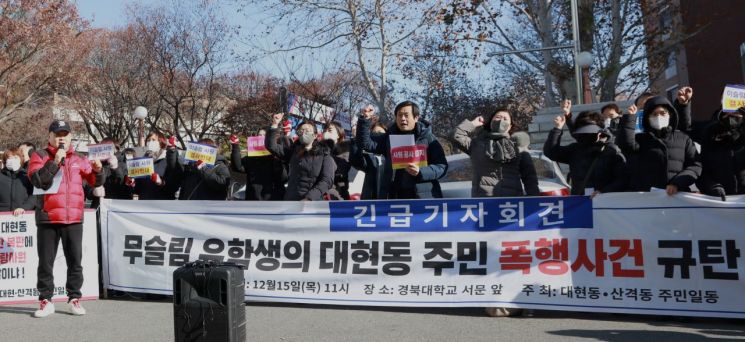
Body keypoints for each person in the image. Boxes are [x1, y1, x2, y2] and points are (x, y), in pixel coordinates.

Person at [28, 120, 104, 317]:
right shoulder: (39, 155)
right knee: (46, 262)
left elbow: (95, 182)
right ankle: (46, 300)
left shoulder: (79, 158)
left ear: (71, 137)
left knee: (75, 261)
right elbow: (38, 180)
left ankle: (74, 298)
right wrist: (55, 162)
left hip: (73, 218)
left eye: (65, 134)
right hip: (48, 217)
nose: (61, 137)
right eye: (57, 134)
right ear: (50, 137)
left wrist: (98, 170)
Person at [356, 101, 448, 199]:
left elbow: (441, 167)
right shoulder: (389, 137)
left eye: (406, 115)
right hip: (395, 197)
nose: (402, 119)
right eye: (399, 115)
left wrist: (420, 171)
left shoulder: (428, 138)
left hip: (423, 197)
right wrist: (365, 119)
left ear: (416, 118)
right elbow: (365, 143)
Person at [617, 96, 701, 194]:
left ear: (670, 115)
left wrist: (677, 183)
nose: (658, 117)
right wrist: (630, 118)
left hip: (676, 195)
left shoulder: (683, 138)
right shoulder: (640, 139)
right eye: (654, 114)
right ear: (647, 118)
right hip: (647, 197)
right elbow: (625, 145)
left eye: (663, 113)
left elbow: (695, 165)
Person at [452, 108, 540, 197]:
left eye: (505, 119)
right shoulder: (477, 144)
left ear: (510, 126)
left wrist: (533, 199)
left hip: (512, 201)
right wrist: (473, 124)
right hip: (483, 200)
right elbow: (456, 136)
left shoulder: (517, 148)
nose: (501, 120)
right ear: (491, 122)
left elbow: (529, 177)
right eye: (498, 117)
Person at [544, 109, 627, 197]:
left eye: (591, 132)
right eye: (584, 132)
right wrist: (558, 128)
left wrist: (604, 192)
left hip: (605, 203)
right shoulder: (575, 149)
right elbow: (551, 152)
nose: (587, 135)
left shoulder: (611, 150)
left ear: (600, 132)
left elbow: (623, 179)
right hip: (579, 201)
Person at [265, 114, 336, 201]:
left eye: (307, 131)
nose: (303, 133)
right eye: (301, 131)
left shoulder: (324, 155)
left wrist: (309, 198)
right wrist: (275, 124)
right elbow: (272, 146)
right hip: (290, 200)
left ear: (315, 135)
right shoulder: (293, 152)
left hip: (312, 203)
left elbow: (327, 180)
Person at [698, 107, 745, 200]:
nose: (730, 117)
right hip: (720, 202)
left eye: (735, 113)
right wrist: (712, 186)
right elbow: (701, 170)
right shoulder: (710, 134)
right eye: (727, 113)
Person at [125, 132, 181, 200]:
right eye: (149, 140)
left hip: (162, 206)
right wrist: (132, 184)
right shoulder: (142, 162)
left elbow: (174, 187)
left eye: (153, 140)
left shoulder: (167, 161)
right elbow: (137, 190)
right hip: (145, 205)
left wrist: (161, 182)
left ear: (161, 143)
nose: (150, 142)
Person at [230, 129, 281, 201]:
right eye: (260, 135)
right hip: (252, 199)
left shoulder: (275, 156)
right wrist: (235, 147)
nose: (262, 137)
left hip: (271, 200)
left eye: (265, 135)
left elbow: (283, 177)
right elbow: (238, 167)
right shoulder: (251, 157)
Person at [350, 105, 388, 199]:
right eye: (375, 134)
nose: (378, 137)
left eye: (381, 133)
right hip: (369, 197)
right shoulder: (367, 155)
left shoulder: (390, 154)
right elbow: (356, 161)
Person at [322, 121, 351, 200]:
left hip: (337, 194)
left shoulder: (345, 149)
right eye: (324, 130)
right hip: (319, 194)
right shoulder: (318, 149)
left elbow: (339, 171)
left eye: (330, 130)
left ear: (338, 134)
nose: (326, 133)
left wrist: (328, 146)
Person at [0, 148, 35, 214]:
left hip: (22, 216)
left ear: (21, 160)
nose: (12, 160)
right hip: (2, 217)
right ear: (5, 161)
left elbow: (34, 195)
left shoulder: (27, 176)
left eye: (15, 157)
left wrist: (24, 207)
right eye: (9, 158)